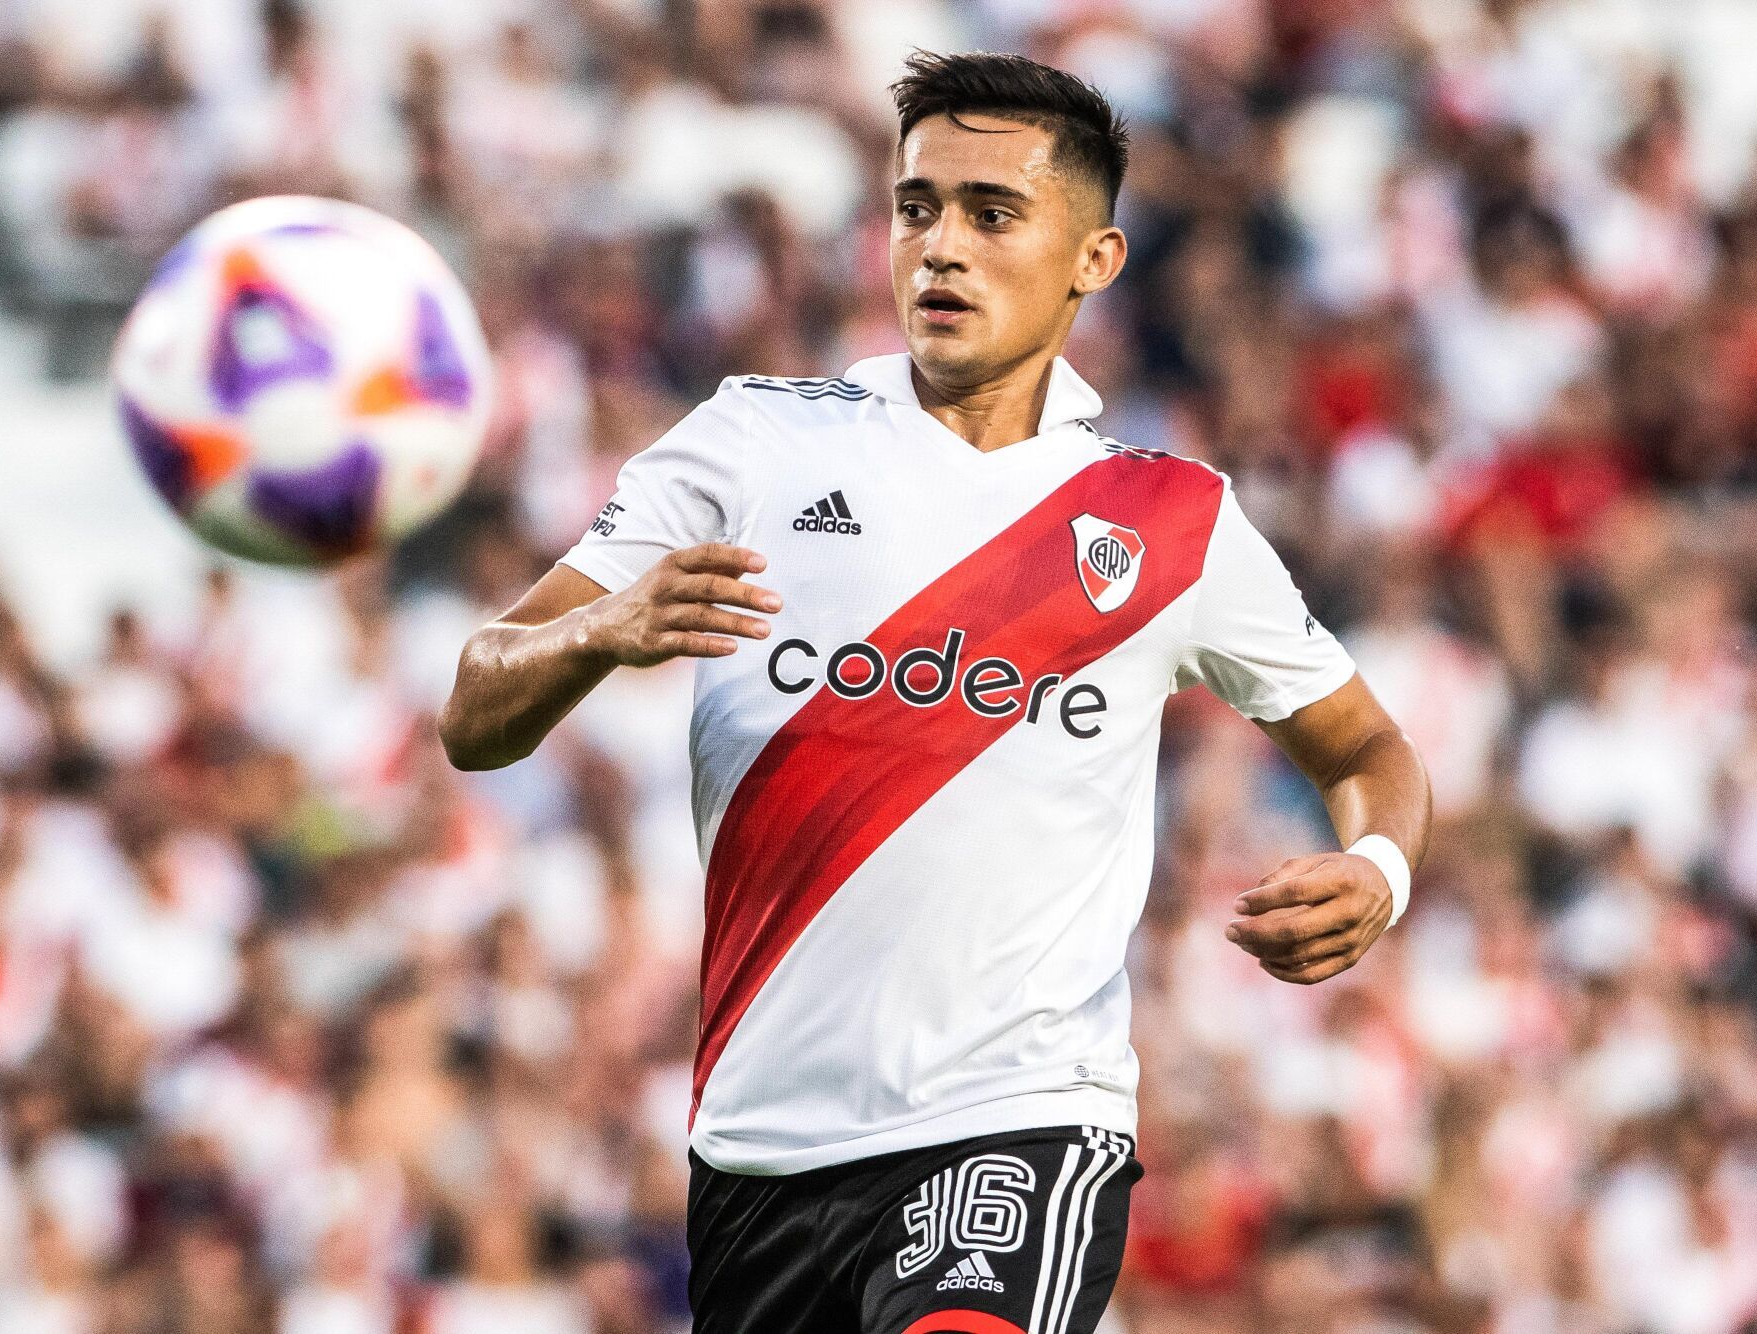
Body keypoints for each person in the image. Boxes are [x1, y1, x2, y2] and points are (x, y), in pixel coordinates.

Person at [440, 50, 1431, 1334]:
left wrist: (1378, 868)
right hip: (758, 1151)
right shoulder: (756, 439)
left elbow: (1368, 747)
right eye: (918, 207)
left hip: (1019, 1119)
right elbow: (476, 708)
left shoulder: (1168, 517)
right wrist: (600, 629)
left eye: (993, 213)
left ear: (1093, 259)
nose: (942, 246)